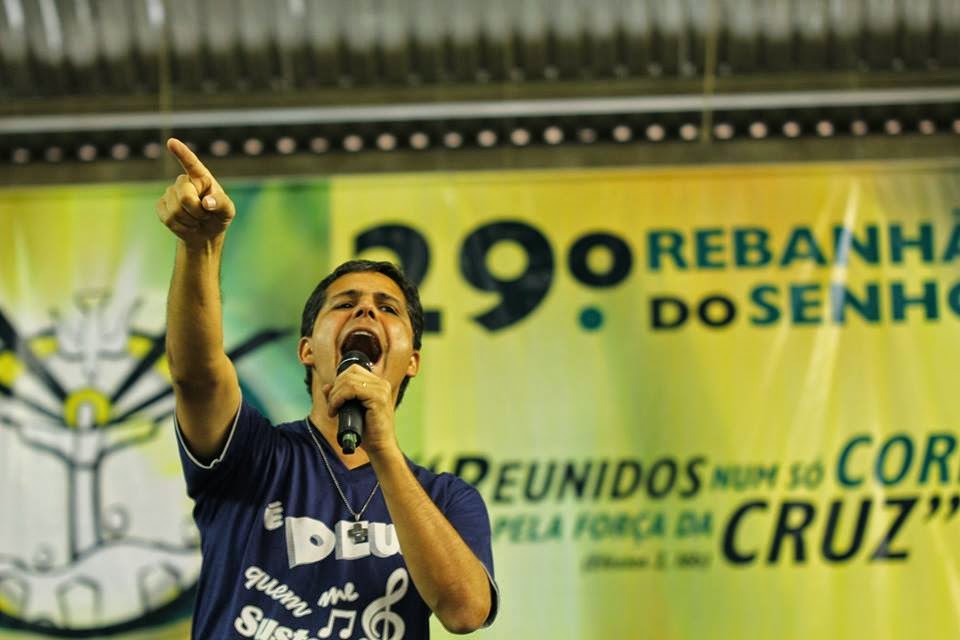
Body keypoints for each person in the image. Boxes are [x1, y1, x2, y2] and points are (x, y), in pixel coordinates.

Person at [156, 138, 498, 640]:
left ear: (412, 361)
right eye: (344, 304)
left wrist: (383, 451)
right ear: (307, 350)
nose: (365, 310)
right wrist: (200, 246)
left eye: (388, 308)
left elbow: (465, 612)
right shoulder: (253, 456)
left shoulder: (446, 499)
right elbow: (197, 374)